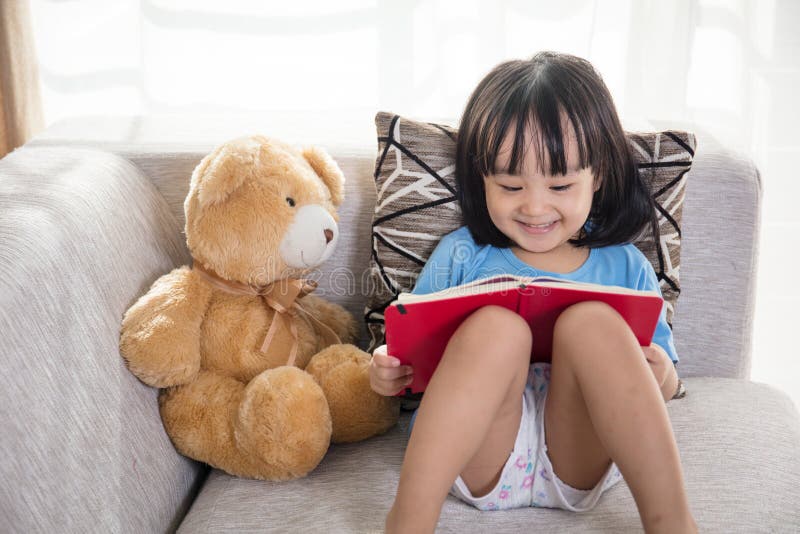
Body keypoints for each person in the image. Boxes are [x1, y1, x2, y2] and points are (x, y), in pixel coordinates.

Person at [369, 51, 697, 533]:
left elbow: (664, 384)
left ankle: (672, 521)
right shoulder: (463, 255)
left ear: (597, 176)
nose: (535, 206)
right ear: (482, 179)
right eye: (509, 184)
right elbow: (409, 351)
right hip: (478, 453)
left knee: (593, 323)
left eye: (561, 185)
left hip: (578, 453)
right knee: (497, 329)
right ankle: (410, 520)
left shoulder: (626, 264)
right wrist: (385, 371)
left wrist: (661, 374)